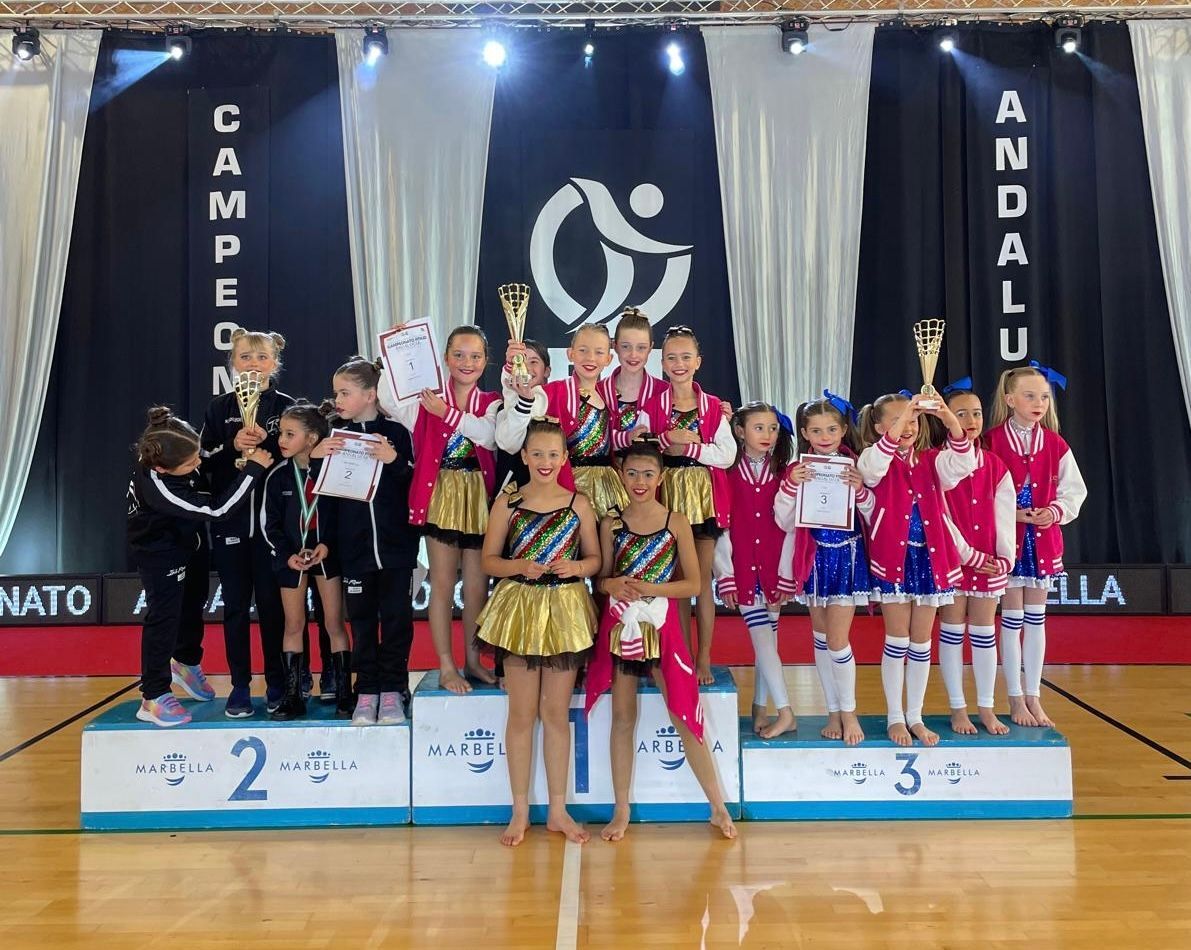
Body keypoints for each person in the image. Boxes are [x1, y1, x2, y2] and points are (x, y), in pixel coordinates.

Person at [585, 436, 737, 842]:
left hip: (662, 627)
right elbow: (600, 582)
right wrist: (614, 584)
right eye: (632, 473)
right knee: (622, 717)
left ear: (661, 476)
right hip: (623, 627)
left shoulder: (676, 522)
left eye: (648, 474)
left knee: (684, 715)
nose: (639, 481)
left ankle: (717, 806)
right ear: (620, 474)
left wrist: (651, 589)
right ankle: (621, 809)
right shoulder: (611, 522)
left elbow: (692, 583)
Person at [474, 419, 600, 846]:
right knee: (522, 714)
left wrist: (579, 568)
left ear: (564, 458)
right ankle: (520, 809)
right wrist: (518, 566)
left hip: (564, 610)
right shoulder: (507, 503)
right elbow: (489, 560)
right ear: (524, 457)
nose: (545, 462)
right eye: (537, 454)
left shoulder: (578, 503)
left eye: (553, 454)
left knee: (555, 714)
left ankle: (558, 809)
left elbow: (596, 558)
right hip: (520, 610)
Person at [127, 407, 272, 726]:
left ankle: (186, 662)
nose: (197, 467)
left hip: (186, 541)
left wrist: (233, 447)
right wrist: (252, 470)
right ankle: (153, 695)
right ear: (164, 469)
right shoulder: (160, 487)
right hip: (159, 552)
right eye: (190, 465)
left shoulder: (173, 439)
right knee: (164, 616)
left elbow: (204, 460)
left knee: (193, 602)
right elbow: (219, 511)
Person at [380, 325, 501, 694]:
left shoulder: (493, 401)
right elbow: (387, 398)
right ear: (445, 358)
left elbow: (488, 436)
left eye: (475, 356)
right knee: (443, 584)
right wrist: (397, 350)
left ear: (485, 361)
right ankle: (446, 665)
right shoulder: (423, 401)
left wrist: (446, 412)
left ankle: (473, 660)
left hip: (480, 498)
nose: (467, 362)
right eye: (459, 355)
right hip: (443, 495)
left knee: (478, 587)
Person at [857, 391, 976, 747]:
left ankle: (915, 716)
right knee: (897, 639)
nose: (906, 426)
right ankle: (895, 716)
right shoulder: (874, 458)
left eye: (912, 419)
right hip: (894, 560)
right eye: (896, 420)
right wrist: (906, 412)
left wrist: (948, 418)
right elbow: (871, 470)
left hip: (930, 560)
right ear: (879, 427)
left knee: (921, 642)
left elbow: (963, 463)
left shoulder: (933, 461)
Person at [984, 363, 1087, 727]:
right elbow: (979, 492)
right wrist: (1012, 514)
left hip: (1042, 542)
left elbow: (1074, 490)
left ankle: (1034, 695)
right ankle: (1014, 698)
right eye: (1029, 395)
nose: (1038, 402)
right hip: (1009, 541)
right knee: (1010, 620)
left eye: (1044, 396)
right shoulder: (991, 441)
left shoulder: (1056, 443)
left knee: (1037, 620)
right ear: (1010, 399)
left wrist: (1054, 511)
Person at [316, 358, 418, 725]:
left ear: (370, 394)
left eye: (345, 392)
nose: (337, 399)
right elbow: (325, 497)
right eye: (336, 393)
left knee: (395, 620)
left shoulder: (397, 432)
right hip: (354, 550)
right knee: (360, 622)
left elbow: (415, 485)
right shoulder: (333, 436)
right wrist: (326, 541)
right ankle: (367, 690)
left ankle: (393, 689)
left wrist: (393, 460)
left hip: (396, 549)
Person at [200, 327, 292, 717]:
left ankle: (277, 682)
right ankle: (239, 685)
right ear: (232, 363)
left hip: (273, 528)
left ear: (274, 363)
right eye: (245, 358)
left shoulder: (287, 406)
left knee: (274, 608)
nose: (253, 365)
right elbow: (202, 464)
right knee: (236, 607)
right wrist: (231, 447)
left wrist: (268, 445)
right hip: (231, 525)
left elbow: (296, 457)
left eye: (261, 358)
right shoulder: (218, 409)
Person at [773, 393, 874, 746]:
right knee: (820, 637)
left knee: (837, 639)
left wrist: (861, 491)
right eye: (816, 430)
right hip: (814, 558)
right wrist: (791, 485)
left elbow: (873, 515)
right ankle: (833, 710)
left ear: (844, 429)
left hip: (846, 556)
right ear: (805, 432)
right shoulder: (797, 470)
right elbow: (783, 519)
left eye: (832, 428)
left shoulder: (856, 464)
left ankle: (849, 711)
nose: (825, 436)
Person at [641, 326, 736, 685]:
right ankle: (678, 655)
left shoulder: (712, 406)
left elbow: (727, 456)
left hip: (703, 499)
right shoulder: (654, 405)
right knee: (677, 581)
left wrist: (691, 448)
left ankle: (704, 657)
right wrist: (669, 439)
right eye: (671, 358)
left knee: (702, 582)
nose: (678, 364)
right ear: (661, 363)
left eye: (685, 357)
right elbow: (643, 445)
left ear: (698, 362)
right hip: (666, 500)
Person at [933, 381, 1016, 736]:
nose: (970, 420)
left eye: (977, 413)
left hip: (988, 564)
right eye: (960, 413)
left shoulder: (996, 465)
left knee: (985, 633)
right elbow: (938, 515)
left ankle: (986, 706)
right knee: (952, 631)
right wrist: (966, 554)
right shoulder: (938, 461)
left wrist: (1003, 557)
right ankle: (958, 708)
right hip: (955, 560)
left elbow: (1005, 513)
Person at [261, 402, 351, 720]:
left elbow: (341, 516)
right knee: (293, 624)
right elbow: (268, 524)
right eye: (281, 433)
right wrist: (287, 555)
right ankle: (293, 694)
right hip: (291, 561)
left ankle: (344, 692)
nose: (281, 440)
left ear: (312, 438)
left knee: (333, 623)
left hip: (326, 556)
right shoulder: (277, 478)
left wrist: (328, 544)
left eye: (290, 434)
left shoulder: (331, 472)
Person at [714, 402, 798, 739]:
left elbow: (793, 527)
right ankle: (786, 711)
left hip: (776, 567)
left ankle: (760, 705)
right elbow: (721, 527)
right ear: (739, 431)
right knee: (763, 638)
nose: (767, 435)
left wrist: (787, 573)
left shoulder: (786, 472)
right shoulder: (725, 474)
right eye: (758, 427)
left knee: (770, 642)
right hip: (744, 568)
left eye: (773, 428)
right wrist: (725, 575)